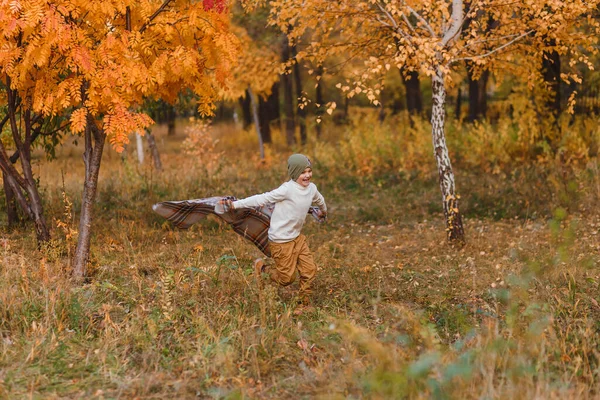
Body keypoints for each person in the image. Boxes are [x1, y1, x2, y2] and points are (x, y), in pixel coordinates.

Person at [220, 154, 327, 307]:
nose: (308, 175)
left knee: (309, 270)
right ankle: (262, 269)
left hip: (297, 238)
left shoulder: (311, 188)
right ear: (295, 173)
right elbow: (262, 199)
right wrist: (235, 205)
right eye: (303, 172)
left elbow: (319, 200)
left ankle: (303, 304)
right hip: (281, 241)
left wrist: (323, 211)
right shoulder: (287, 190)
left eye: (309, 171)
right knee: (286, 279)